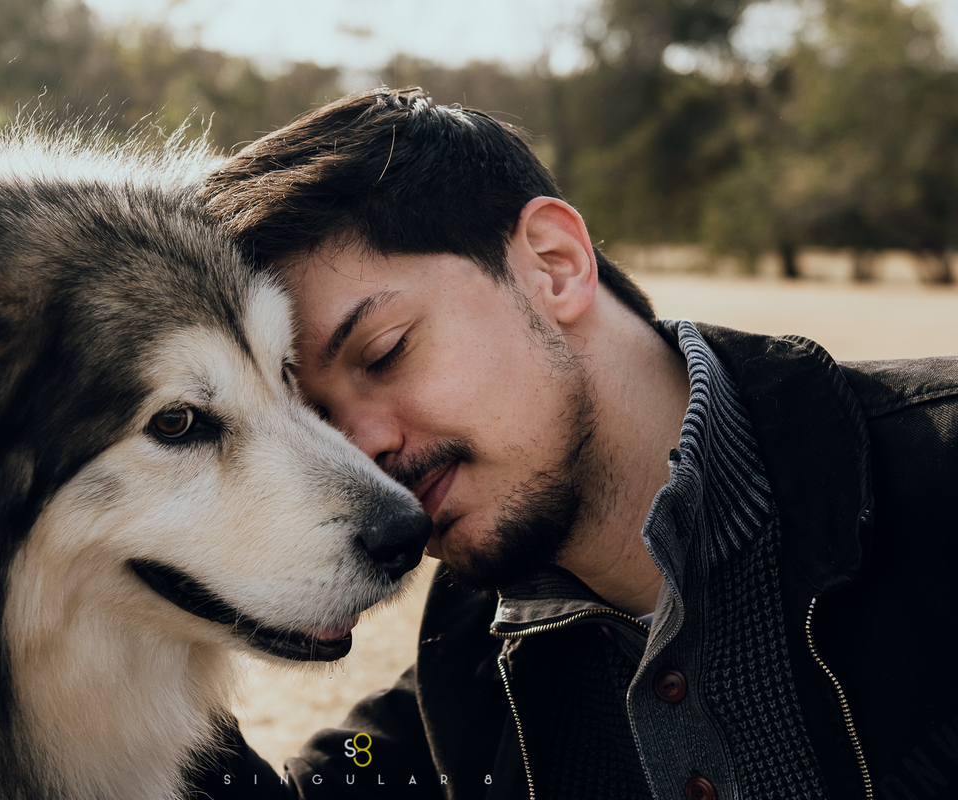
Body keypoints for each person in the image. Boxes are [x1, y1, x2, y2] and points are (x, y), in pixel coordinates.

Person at [194, 86, 958, 800]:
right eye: (313, 421)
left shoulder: (937, 478)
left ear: (553, 266)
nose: (360, 450)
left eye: (386, 351)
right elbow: (341, 779)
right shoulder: (468, 655)